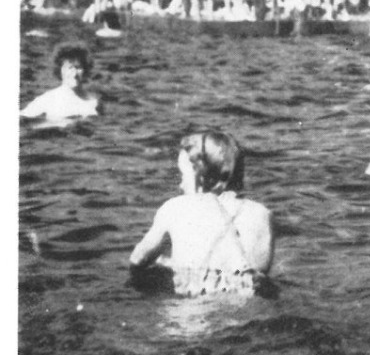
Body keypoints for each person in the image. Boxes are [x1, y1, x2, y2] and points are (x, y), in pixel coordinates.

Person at [129, 129, 275, 295]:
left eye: (183, 175)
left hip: (197, 309)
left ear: (198, 174)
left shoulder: (175, 208)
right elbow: (257, 271)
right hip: (248, 304)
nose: (180, 185)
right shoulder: (263, 213)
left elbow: (137, 260)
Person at [21, 43, 100, 121]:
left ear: (85, 70)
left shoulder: (94, 102)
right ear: (60, 70)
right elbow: (23, 122)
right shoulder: (47, 100)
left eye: (78, 68)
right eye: (70, 67)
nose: (74, 73)